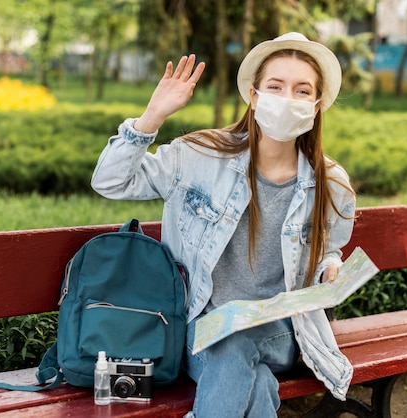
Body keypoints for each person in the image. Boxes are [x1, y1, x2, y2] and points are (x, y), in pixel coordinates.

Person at [91, 32, 355, 418]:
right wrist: (153, 116)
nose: (287, 98)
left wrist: (329, 268)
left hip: (280, 331)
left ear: (316, 106)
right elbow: (110, 181)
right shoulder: (201, 156)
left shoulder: (330, 183)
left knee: (236, 343)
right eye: (275, 86)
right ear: (254, 94)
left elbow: (328, 249)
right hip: (202, 330)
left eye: (302, 91)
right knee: (257, 386)